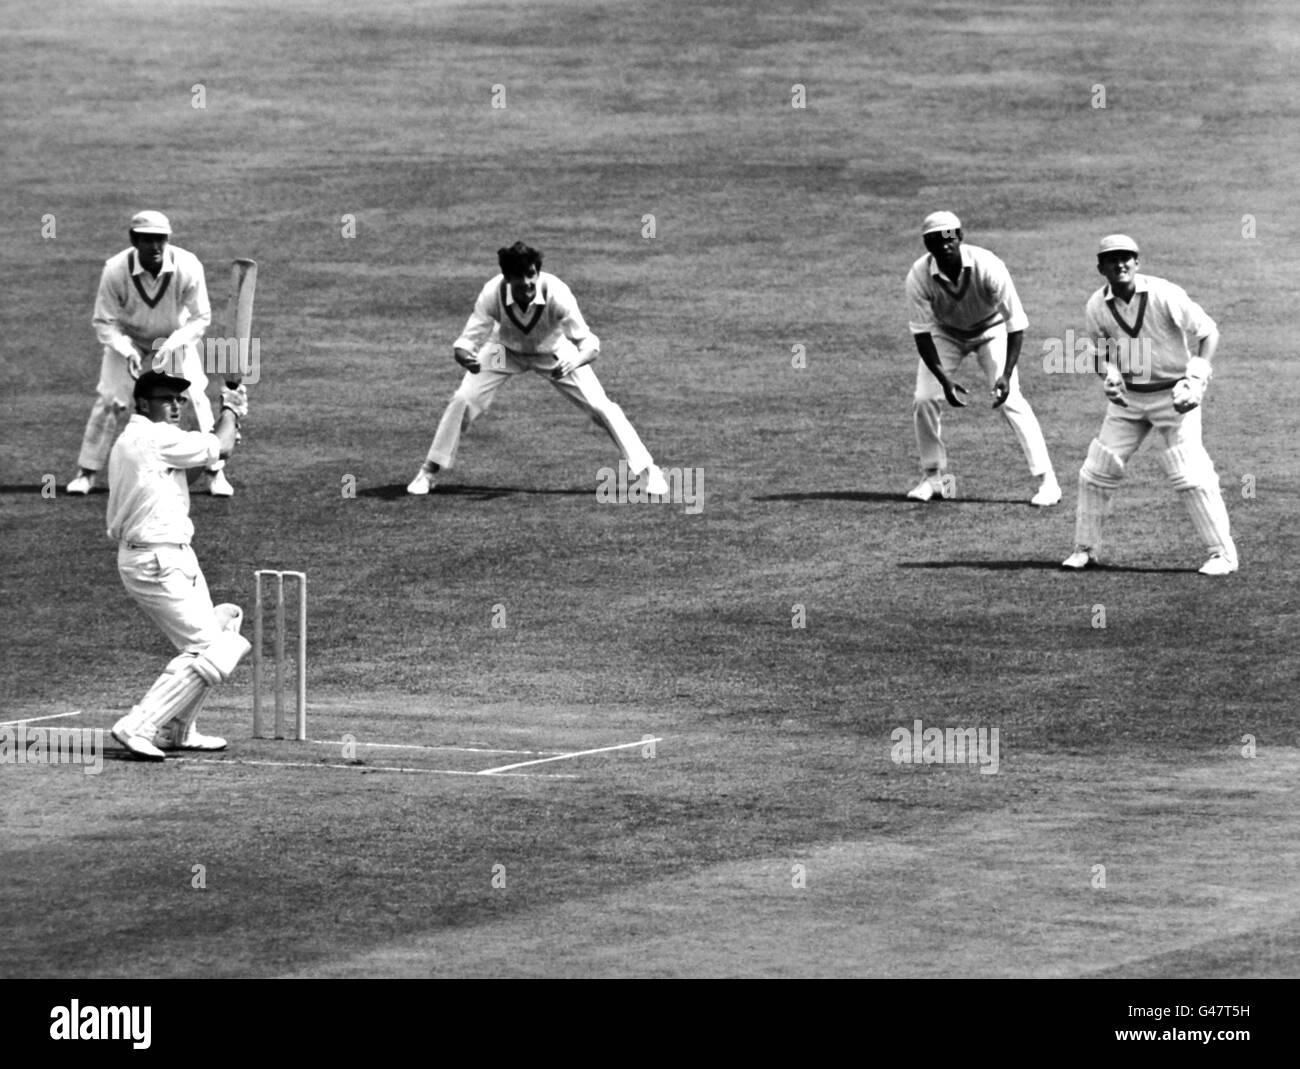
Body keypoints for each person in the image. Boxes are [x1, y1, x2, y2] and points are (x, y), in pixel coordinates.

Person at [407, 241, 669, 496]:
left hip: (554, 353)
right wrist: (465, 357)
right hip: (503, 351)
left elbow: (590, 343)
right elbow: (467, 340)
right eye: (519, 277)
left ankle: (649, 471)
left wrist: (574, 361)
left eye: (531, 274)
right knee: (463, 399)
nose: (527, 283)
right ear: (507, 277)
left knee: (601, 406)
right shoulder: (492, 292)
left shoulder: (557, 292)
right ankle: (428, 472)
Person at [1062, 235, 1237, 575]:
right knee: (1096, 472)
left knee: (1190, 474)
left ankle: (1223, 554)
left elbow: (1208, 332)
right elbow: (1100, 354)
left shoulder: (1164, 293)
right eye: (1112, 260)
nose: (1120, 264)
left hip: (1175, 397)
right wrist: (1109, 376)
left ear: (1137, 262)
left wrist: (1196, 378)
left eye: (1127, 258)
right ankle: (1085, 548)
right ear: (1101, 268)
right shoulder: (1096, 306)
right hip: (1129, 400)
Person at [107, 368, 250, 761]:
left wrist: (228, 419)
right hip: (154, 559)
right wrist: (231, 410)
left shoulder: (146, 439)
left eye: (179, 399)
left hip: (174, 555)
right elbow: (221, 449)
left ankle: (178, 729)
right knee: (211, 648)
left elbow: (214, 450)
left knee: (225, 623)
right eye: (166, 399)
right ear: (142, 403)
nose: (175, 405)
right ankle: (138, 725)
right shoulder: (153, 437)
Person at [67, 210, 235, 498]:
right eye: (147, 240)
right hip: (128, 338)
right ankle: (87, 472)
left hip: (175, 337)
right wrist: (125, 348)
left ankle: (214, 472)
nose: (155, 246)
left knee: (195, 396)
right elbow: (103, 321)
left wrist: (172, 344)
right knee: (111, 399)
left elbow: (201, 317)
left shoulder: (188, 265)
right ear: (134, 240)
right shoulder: (115, 269)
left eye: (160, 239)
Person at [903, 211, 1060, 506]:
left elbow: (1016, 324)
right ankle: (933, 477)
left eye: (951, 236)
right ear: (928, 245)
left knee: (1011, 398)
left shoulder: (988, 265)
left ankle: (1048, 481)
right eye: (937, 239)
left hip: (992, 329)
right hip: (945, 333)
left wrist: (1005, 375)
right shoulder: (918, 276)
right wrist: (943, 379)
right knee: (925, 398)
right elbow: (922, 334)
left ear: (960, 237)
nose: (946, 244)